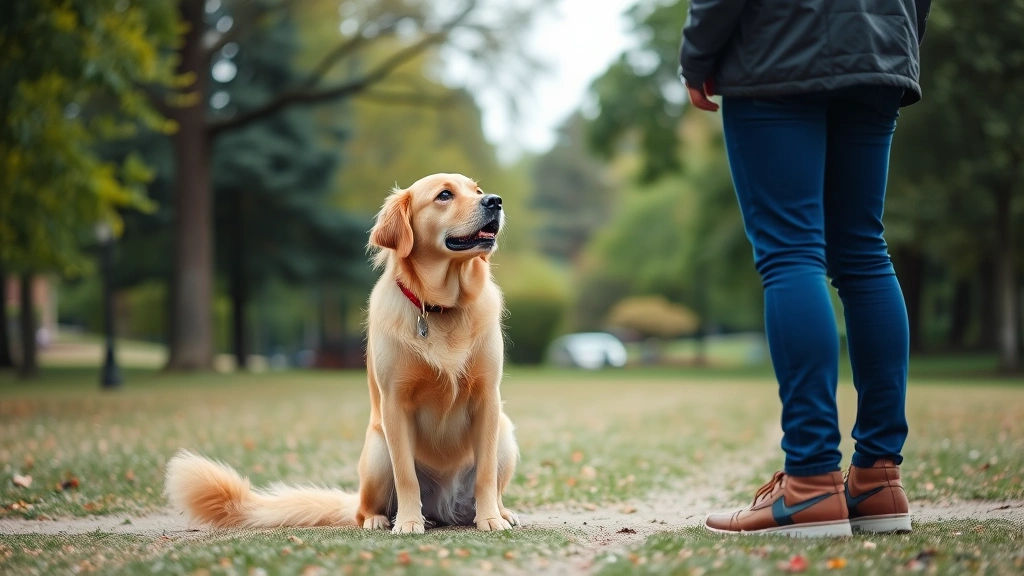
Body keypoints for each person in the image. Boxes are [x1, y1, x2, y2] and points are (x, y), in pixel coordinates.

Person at [679, 0, 932, 537]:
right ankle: (877, 478)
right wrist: (899, 39)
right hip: (882, 44)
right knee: (864, 254)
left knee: (791, 254)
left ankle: (811, 483)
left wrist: (697, 54)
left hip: (778, 46)